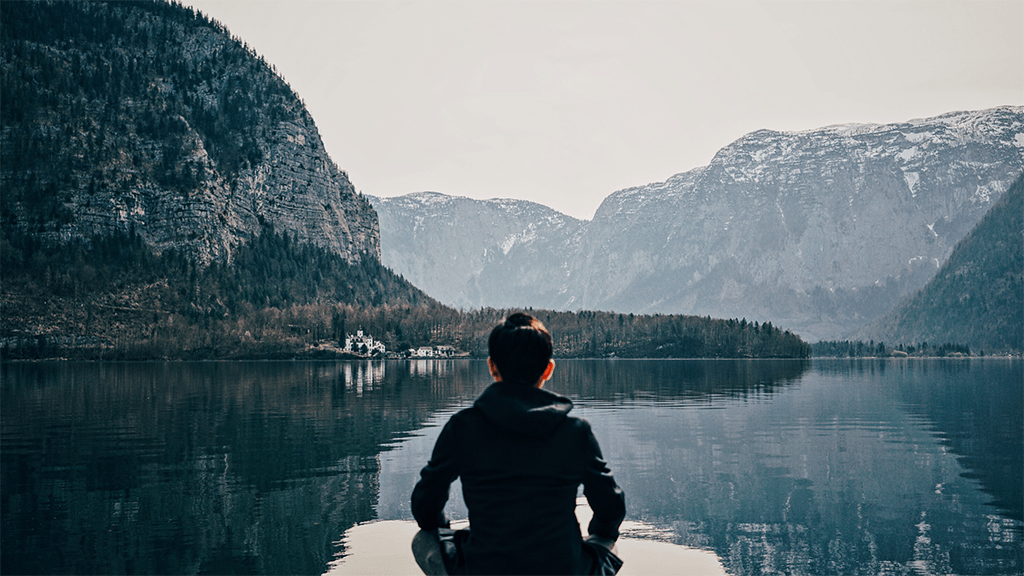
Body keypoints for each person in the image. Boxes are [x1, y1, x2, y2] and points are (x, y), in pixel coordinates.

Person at [410, 313, 626, 575]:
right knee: (607, 544)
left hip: (484, 568)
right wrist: (586, 544)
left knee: (422, 539)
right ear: (548, 369)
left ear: (492, 366)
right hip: (562, 569)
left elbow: (425, 505)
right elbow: (612, 508)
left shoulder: (463, 427)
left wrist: (444, 529)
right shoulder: (576, 432)